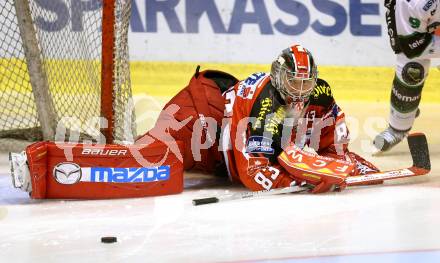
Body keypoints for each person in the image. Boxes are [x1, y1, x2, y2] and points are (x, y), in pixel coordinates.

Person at [140, 44, 380, 194]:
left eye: (306, 82)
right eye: (292, 81)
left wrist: (334, 166)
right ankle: (130, 149)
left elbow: (335, 146)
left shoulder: (321, 95)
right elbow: (254, 175)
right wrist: (299, 182)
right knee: (155, 159)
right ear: (277, 78)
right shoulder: (265, 105)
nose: (299, 90)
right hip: (203, 127)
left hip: (230, 128)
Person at [374, 0, 440, 152]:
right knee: (412, 70)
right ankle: (398, 127)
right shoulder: (410, 4)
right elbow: (412, 46)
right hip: (416, 32)